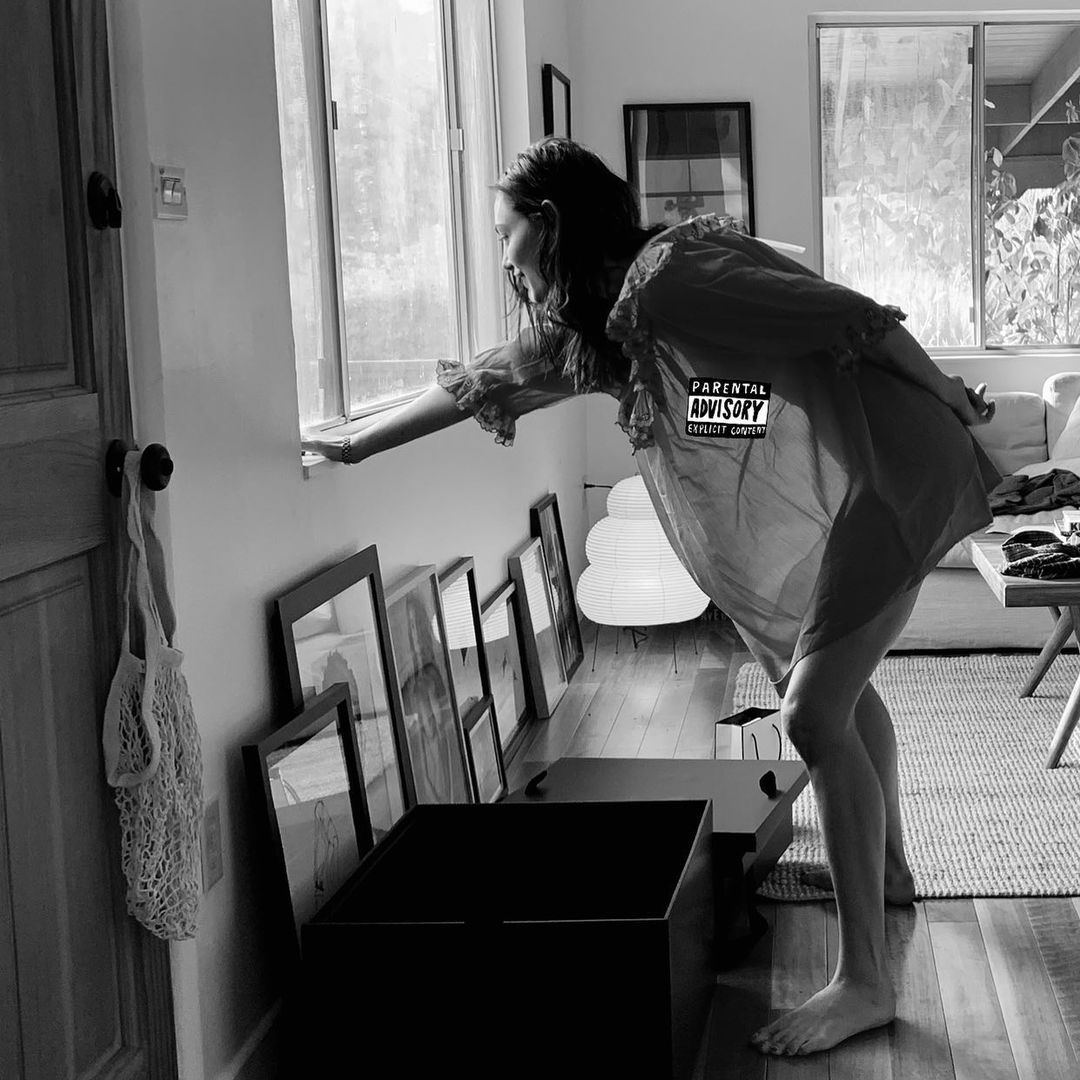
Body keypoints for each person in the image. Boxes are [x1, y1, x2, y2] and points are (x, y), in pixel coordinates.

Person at [303, 137, 997, 1056]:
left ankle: (865, 982)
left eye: (507, 233)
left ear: (551, 223)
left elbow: (849, 314)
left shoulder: (673, 275)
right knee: (834, 690)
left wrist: (949, 391)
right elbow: (484, 381)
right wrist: (353, 444)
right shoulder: (600, 330)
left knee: (812, 713)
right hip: (871, 469)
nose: (503, 256)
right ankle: (891, 874)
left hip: (899, 461)